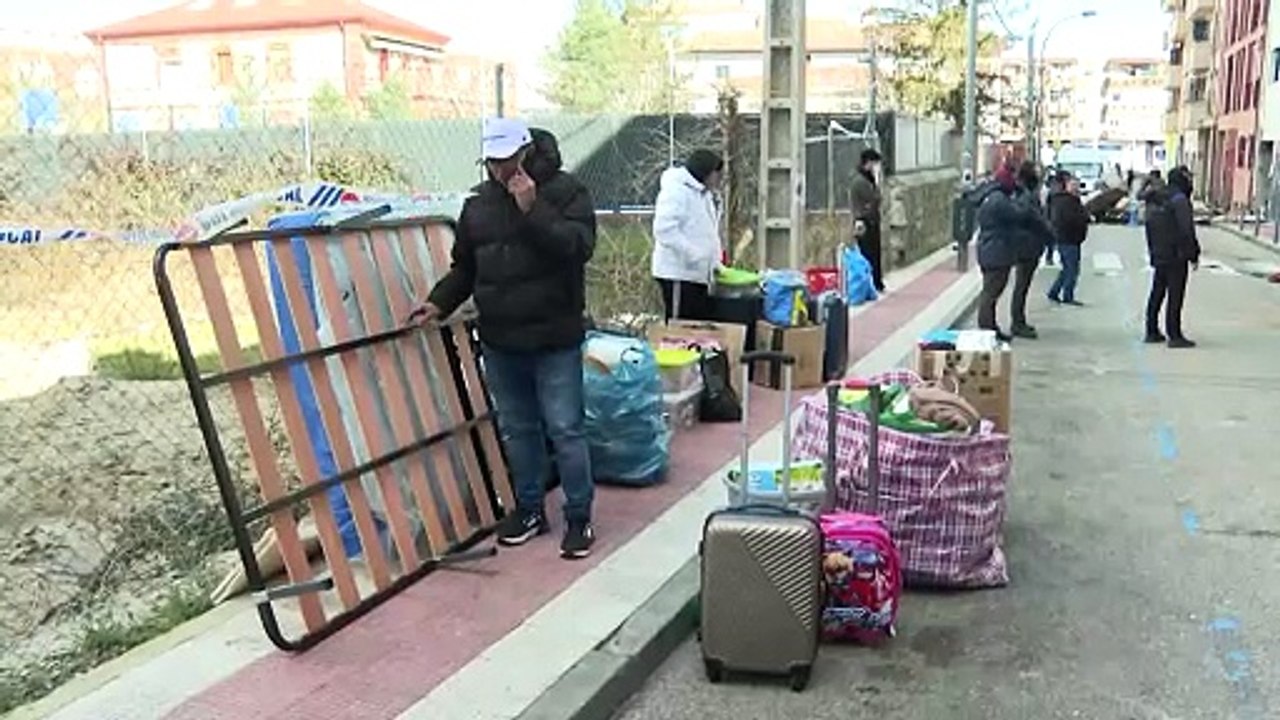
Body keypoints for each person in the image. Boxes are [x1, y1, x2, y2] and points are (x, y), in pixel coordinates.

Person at [408, 117, 599, 559]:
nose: (499, 170)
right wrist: (439, 302)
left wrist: (533, 209)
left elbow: (578, 247)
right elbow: (466, 267)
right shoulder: (478, 205)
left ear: (526, 152)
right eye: (492, 162)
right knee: (517, 429)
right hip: (501, 339)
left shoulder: (567, 192)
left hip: (554, 337)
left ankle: (578, 517)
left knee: (566, 429)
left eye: (507, 160)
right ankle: (530, 509)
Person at [974, 163, 1055, 342]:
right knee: (992, 292)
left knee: (993, 291)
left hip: (996, 248)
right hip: (999, 249)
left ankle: (991, 328)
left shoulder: (996, 197)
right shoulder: (1001, 199)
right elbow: (1021, 215)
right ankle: (989, 331)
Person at [651, 149, 724, 321]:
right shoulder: (677, 191)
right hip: (678, 273)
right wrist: (693, 254)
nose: (719, 179)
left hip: (698, 275)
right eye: (716, 174)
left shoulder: (704, 194)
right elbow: (664, 230)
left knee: (694, 324)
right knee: (679, 325)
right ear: (705, 172)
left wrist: (714, 263)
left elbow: (705, 231)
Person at [1143, 166, 1200, 349]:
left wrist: (1153, 250)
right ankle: (1174, 335)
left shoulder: (1157, 197)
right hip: (1177, 254)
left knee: (1157, 291)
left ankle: (1151, 330)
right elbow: (1186, 230)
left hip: (1159, 252)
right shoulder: (1179, 200)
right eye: (1188, 178)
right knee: (1175, 295)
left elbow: (1149, 225)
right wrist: (1193, 253)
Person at [1007, 161, 1054, 339]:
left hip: (1028, 244)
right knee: (1022, 286)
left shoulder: (1026, 191)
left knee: (1022, 286)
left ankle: (1019, 321)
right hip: (1027, 245)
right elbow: (1034, 217)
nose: (1040, 172)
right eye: (1037, 169)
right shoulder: (1027, 194)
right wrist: (1048, 231)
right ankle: (1017, 323)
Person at [1046, 171, 1090, 306]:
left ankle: (1054, 292)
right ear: (1066, 186)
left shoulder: (1070, 200)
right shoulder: (1065, 201)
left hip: (1070, 238)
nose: (1076, 188)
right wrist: (1083, 219)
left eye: (1077, 185)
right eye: (1073, 185)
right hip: (1068, 238)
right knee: (1072, 269)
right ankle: (1067, 296)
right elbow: (1068, 219)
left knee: (1067, 268)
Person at [851, 148, 886, 292]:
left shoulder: (867, 179)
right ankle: (871, 284)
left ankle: (876, 282)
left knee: (874, 253)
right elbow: (875, 198)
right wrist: (877, 181)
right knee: (868, 254)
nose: (877, 167)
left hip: (871, 220)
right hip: (864, 222)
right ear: (869, 163)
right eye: (875, 163)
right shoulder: (861, 181)